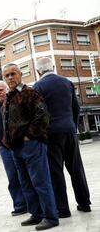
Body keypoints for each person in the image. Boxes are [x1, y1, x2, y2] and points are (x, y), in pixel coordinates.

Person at [2, 63, 58, 231]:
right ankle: (36, 214)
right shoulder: (10, 96)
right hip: (16, 148)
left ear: (20, 74)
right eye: (7, 75)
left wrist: (29, 136)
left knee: (40, 181)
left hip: (31, 145)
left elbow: (43, 116)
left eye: (13, 74)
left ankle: (50, 217)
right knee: (26, 183)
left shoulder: (30, 92)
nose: (10, 77)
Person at [33, 57, 91, 218]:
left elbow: (39, 113)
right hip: (69, 130)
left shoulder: (38, 86)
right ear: (52, 67)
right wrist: (71, 124)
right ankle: (85, 203)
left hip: (51, 134)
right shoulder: (67, 82)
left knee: (55, 172)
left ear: (38, 71)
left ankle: (63, 209)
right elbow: (76, 107)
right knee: (76, 168)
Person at [0, 81, 27, 216]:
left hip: (20, 146)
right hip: (5, 149)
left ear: (7, 90)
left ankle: (32, 203)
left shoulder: (16, 103)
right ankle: (20, 205)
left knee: (25, 175)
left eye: (1, 90)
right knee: (12, 177)